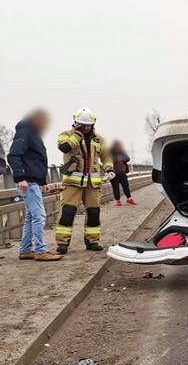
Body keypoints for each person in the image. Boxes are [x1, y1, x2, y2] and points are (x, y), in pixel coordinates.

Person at [55, 107, 115, 254]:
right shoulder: (66, 135)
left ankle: (92, 241)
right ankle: (62, 243)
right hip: (72, 183)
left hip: (92, 183)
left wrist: (109, 169)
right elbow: (64, 147)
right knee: (68, 212)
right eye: (82, 125)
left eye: (88, 125)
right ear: (76, 123)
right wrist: (77, 135)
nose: (86, 128)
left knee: (94, 213)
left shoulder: (98, 139)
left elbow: (106, 156)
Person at [7, 110, 63, 261]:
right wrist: (20, 177)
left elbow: (37, 160)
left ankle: (25, 250)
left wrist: (43, 181)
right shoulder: (25, 131)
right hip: (28, 182)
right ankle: (40, 250)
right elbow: (13, 155)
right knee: (39, 216)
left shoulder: (34, 134)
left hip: (33, 182)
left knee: (31, 217)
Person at [109, 140, 137, 206]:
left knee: (126, 186)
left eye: (119, 146)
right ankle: (118, 201)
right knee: (115, 187)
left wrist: (120, 158)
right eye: (117, 146)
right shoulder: (111, 152)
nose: (119, 147)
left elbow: (127, 158)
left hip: (122, 173)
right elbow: (111, 160)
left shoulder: (122, 152)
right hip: (114, 173)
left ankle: (129, 199)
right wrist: (120, 158)